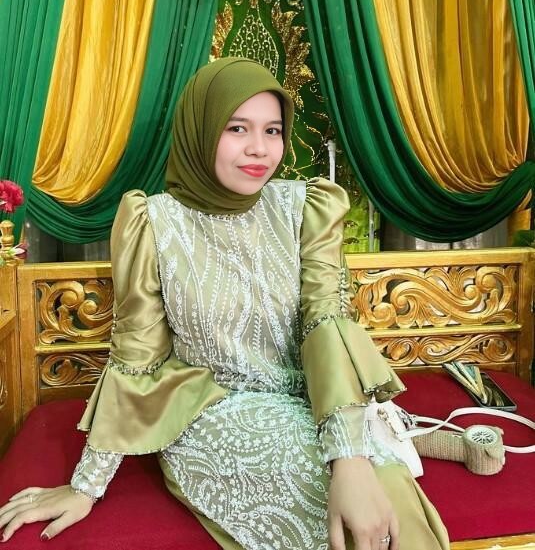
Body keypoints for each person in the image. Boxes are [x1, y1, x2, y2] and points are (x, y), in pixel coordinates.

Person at [0, 57, 449, 550]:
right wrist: (85, 486)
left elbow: (326, 322)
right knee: (351, 517)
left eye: (273, 130)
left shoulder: (304, 209)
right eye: (237, 128)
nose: (260, 148)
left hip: (315, 400)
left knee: (384, 488)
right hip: (212, 412)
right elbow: (137, 357)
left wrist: (351, 457)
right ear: (201, 129)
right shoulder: (155, 223)